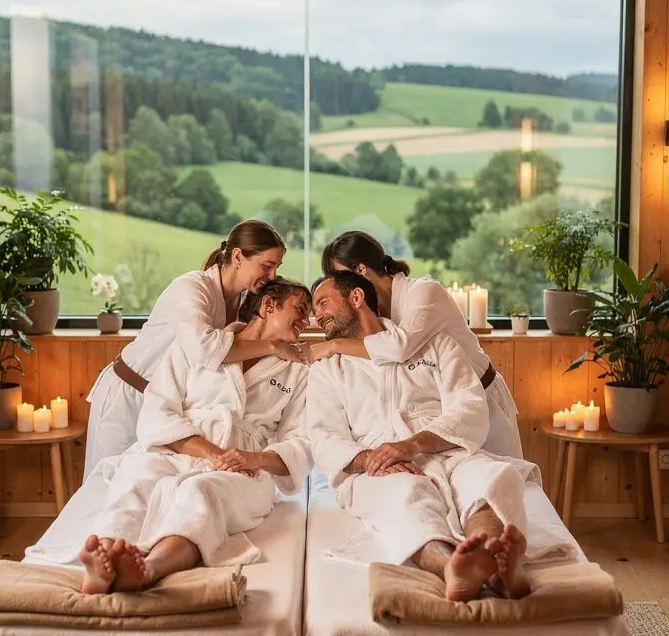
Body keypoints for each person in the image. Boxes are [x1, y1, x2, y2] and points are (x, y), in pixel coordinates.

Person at [307, 272, 535, 603]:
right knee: (408, 495)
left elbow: (469, 408)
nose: (318, 315)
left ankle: (497, 563)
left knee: (489, 477)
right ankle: (452, 568)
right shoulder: (328, 369)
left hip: (445, 449)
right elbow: (324, 436)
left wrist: (413, 445)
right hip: (378, 464)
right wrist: (370, 458)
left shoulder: (433, 343)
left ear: (356, 298)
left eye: (323, 302)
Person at [76, 278, 313, 594]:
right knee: (137, 476)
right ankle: (103, 555)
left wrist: (251, 458)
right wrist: (212, 452)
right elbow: (159, 410)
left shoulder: (297, 369)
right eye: (300, 309)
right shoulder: (201, 347)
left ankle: (149, 567)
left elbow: (301, 441)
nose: (307, 321)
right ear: (268, 305)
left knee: (201, 492)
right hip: (181, 446)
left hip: (243, 464)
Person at [84, 219, 302, 477]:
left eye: (276, 267)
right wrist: (273, 347)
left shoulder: (240, 301)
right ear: (238, 256)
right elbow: (206, 352)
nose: (272, 276)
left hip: (166, 402)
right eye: (266, 266)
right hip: (129, 394)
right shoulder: (192, 287)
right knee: (102, 485)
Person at [305, 230, 522, 458]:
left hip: (478, 398)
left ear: (361, 270)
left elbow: (400, 347)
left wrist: (333, 345)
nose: (337, 284)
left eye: (339, 277)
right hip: (441, 408)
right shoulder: (376, 311)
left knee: (497, 478)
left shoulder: (424, 291)